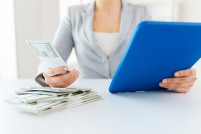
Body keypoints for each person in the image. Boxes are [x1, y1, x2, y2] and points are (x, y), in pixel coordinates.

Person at [35, 0, 197, 93]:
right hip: (89, 99)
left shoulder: (141, 13)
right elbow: (49, 61)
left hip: (131, 98)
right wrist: (47, 76)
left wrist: (178, 76)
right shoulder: (73, 14)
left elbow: (157, 59)